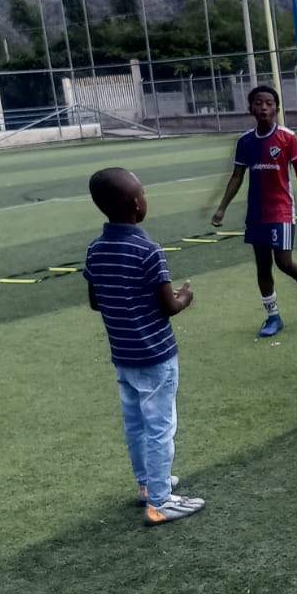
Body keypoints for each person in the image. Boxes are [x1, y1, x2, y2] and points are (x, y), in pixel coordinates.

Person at [83, 167, 205, 526]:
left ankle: (147, 485)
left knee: (135, 423)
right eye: (143, 193)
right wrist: (185, 297)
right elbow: (169, 306)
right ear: (137, 204)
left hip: (123, 354)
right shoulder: (149, 251)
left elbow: (96, 301)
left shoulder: (95, 249)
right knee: (160, 427)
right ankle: (161, 502)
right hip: (156, 354)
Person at [210, 85, 297, 337]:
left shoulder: (287, 138)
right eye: (258, 103)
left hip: (281, 210)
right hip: (256, 213)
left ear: (276, 109)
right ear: (250, 108)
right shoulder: (245, 141)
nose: (264, 107)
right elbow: (237, 176)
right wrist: (221, 209)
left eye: (269, 103)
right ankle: (273, 317)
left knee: (283, 262)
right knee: (262, 266)